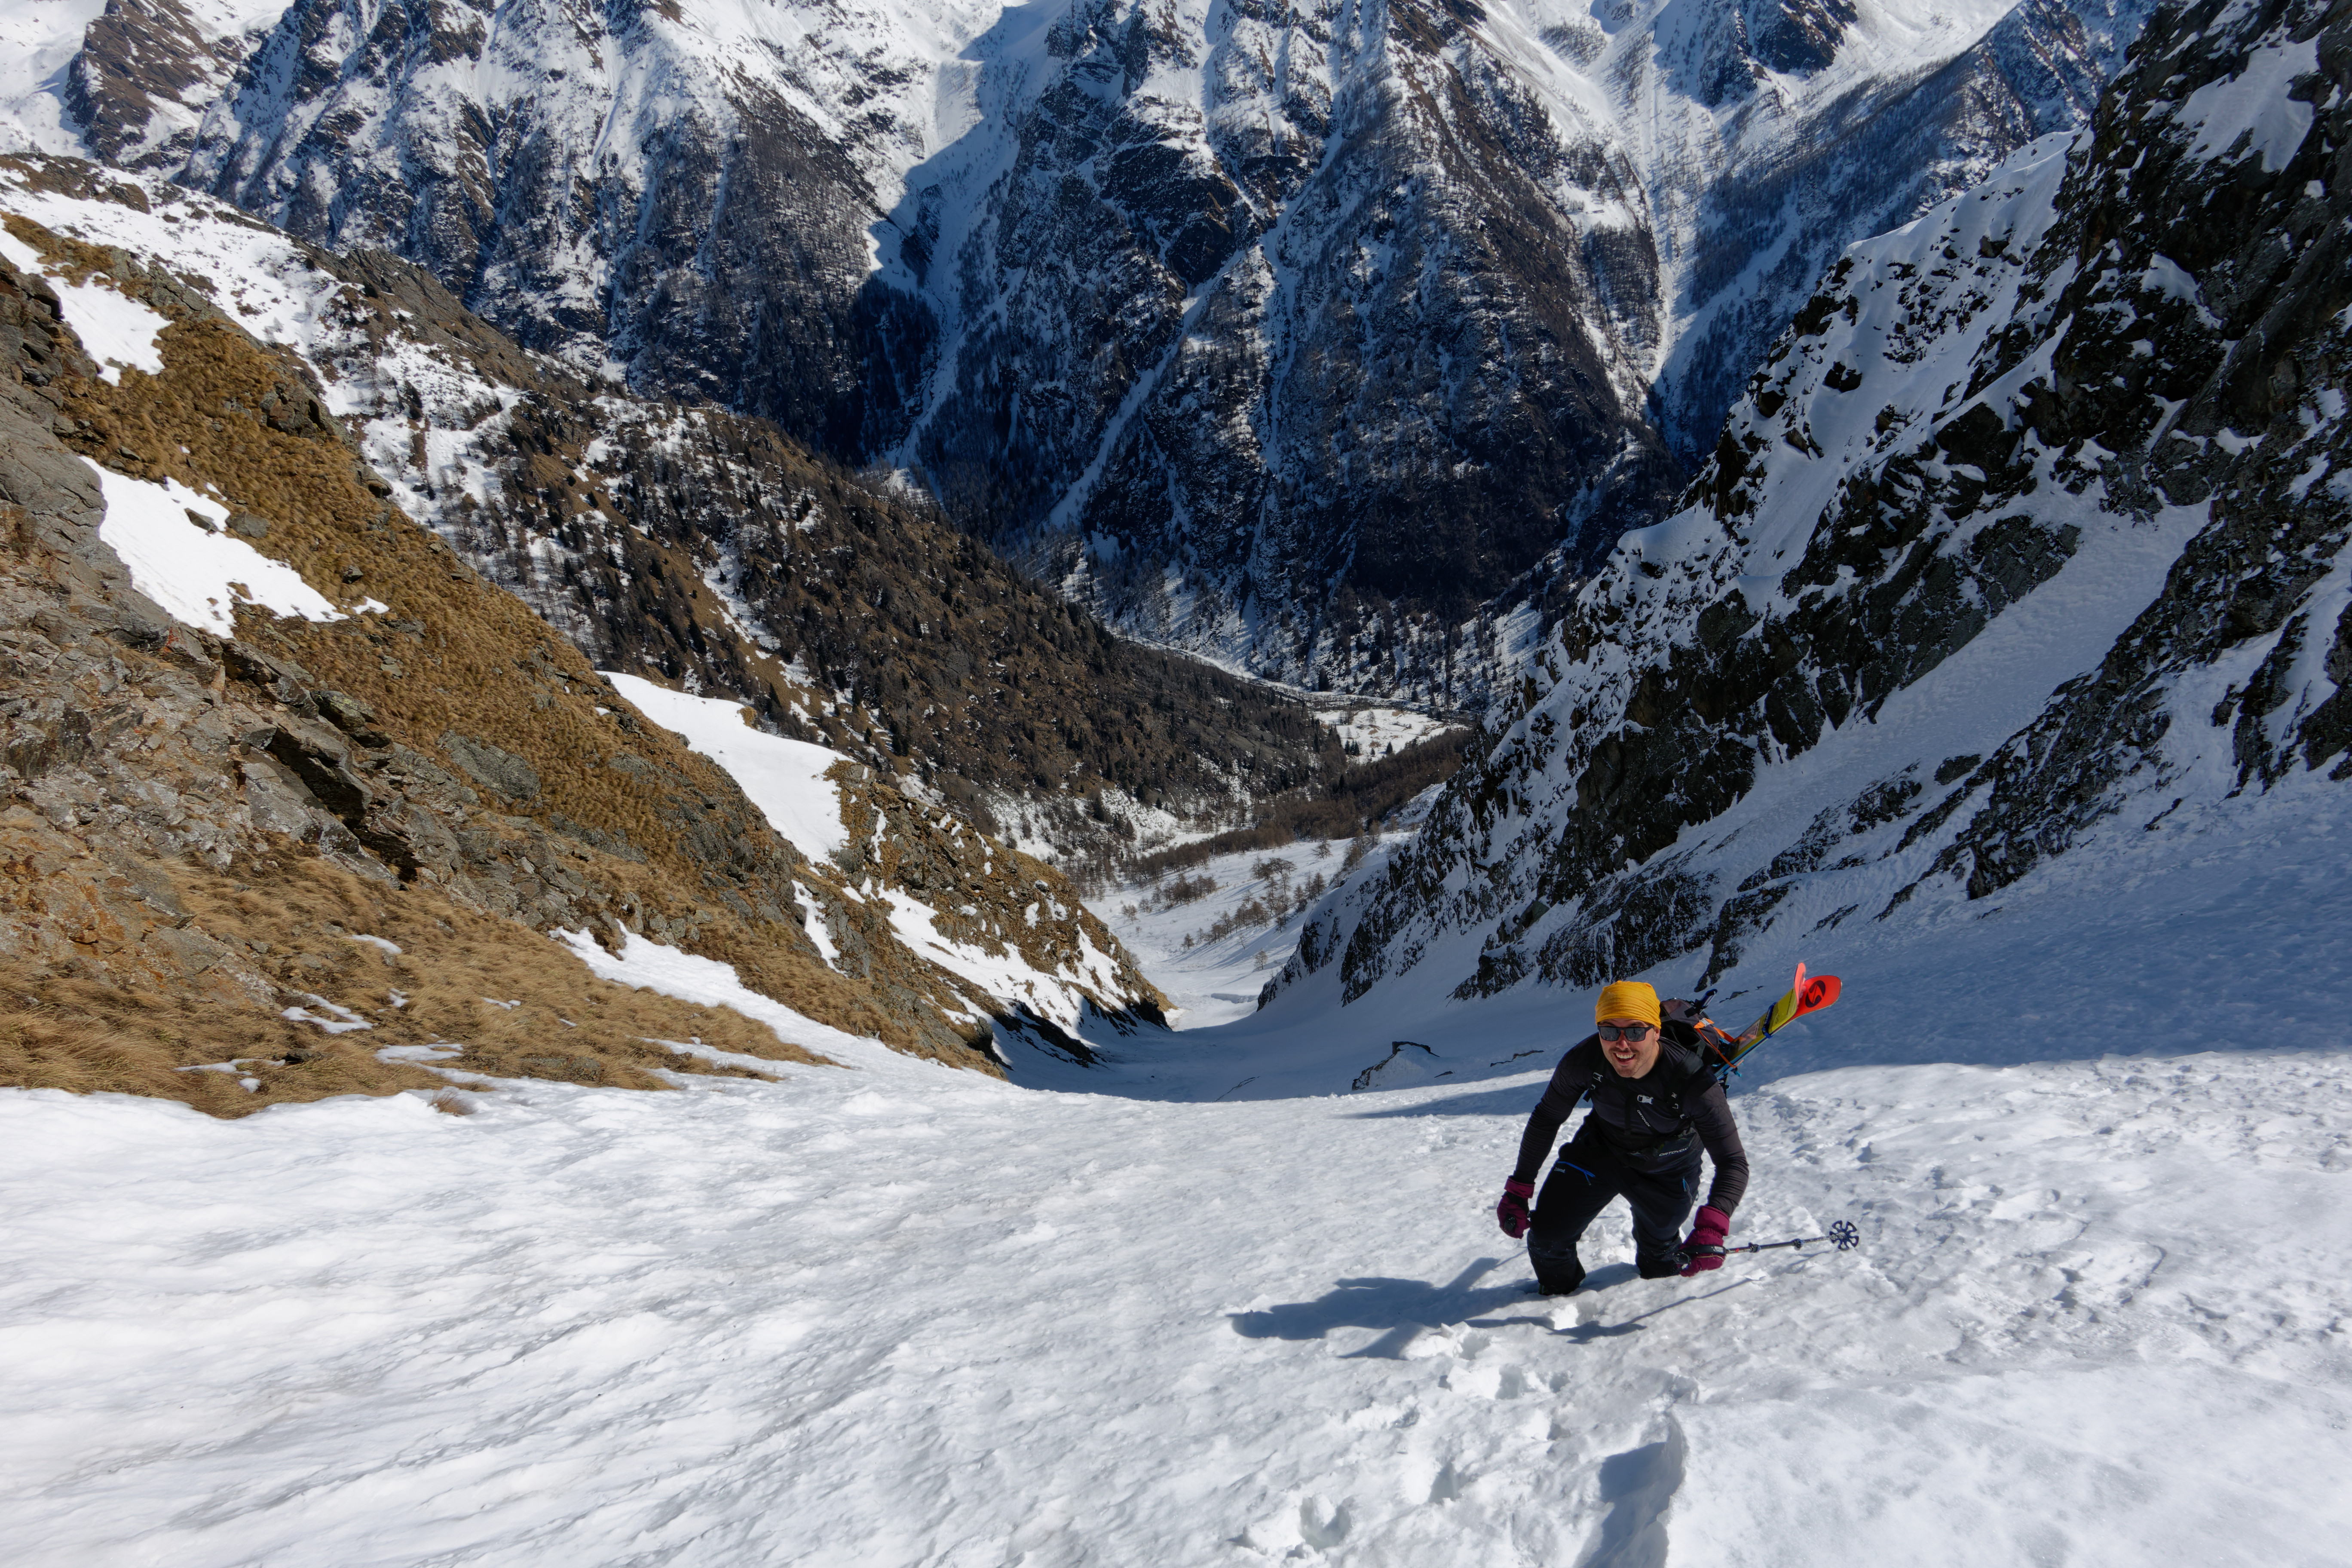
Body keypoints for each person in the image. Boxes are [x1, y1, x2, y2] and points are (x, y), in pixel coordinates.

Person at [1492, 980, 1749, 1293]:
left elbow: (1732, 1160)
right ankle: (1557, 1303)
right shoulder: (1585, 1060)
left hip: (1669, 1168)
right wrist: (1519, 1188)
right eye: (1610, 1031)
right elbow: (1547, 1118)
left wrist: (1714, 1223)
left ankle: (1655, 1269)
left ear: (1657, 1031)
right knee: (1547, 1239)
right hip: (1601, 1151)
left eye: (1636, 1031)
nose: (1622, 1044)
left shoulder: (1693, 1081)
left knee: (1661, 1263)